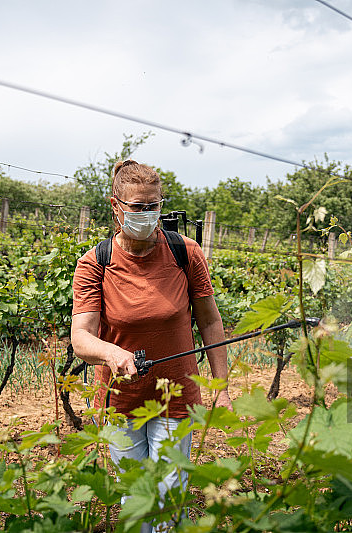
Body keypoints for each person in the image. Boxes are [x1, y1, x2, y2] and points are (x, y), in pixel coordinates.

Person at [70, 159, 231, 530]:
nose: (147, 214)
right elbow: (80, 339)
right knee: (135, 496)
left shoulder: (185, 252)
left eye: (154, 206)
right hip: (121, 398)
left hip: (177, 394)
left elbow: (209, 320)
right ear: (116, 207)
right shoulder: (96, 263)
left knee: (169, 494)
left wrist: (221, 385)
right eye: (138, 207)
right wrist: (112, 353)